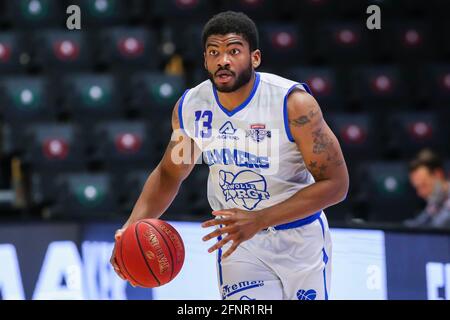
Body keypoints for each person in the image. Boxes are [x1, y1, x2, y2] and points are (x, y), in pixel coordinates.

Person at [110, 11, 349, 300]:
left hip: (301, 239)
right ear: (206, 61)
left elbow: (336, 184)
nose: (223, 60)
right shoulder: (193, 107)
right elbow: (169, 173)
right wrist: (129, 229)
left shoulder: (293, 105)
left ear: (255, 58)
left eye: (234, 51)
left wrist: (259, 219)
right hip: (240, 243)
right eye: (214, 52)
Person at [404, 149, 450, 229]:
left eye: (424, 185)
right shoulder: (435, 201)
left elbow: (437, 227)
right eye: (417, 188)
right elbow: (416, 225)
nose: (420, 193)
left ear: (438, 174)